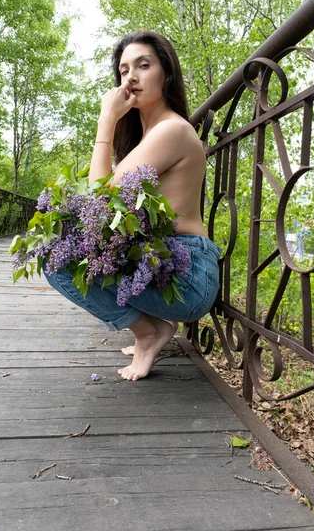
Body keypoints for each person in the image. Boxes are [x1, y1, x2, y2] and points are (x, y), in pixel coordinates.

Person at [45, 30, 221, 381]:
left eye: (144, 65)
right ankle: (152, 326)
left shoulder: (171, 131)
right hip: (166, 264)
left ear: (166, 74)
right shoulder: (149, 137)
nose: (132, 77)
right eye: (124, 71)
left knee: (55, 260)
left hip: (188, 276)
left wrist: (105, 120)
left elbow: (100, 199)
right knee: (66, 248)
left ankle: (148, 332)